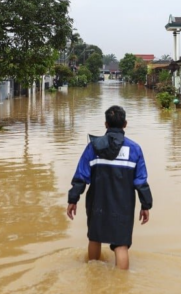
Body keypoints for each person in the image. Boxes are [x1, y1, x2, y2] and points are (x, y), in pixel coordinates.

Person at [66, 105, 153, 270]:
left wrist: (73, 199)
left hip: (98, 203)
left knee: (95, 238)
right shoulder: (134, 149)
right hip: (124, 205)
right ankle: (121, 284)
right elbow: (140, 181)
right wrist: (145, 205)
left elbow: (81, 176)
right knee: (121, 245)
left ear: (106, 124)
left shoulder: (93, 147)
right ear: (125, 124)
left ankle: (92, 277)